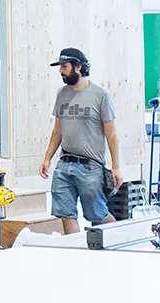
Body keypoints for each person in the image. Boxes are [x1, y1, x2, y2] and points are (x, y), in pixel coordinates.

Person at [39, 47, 123, 235]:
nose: (61, 71)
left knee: (97, 215)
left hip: (90, 167)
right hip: (64, 164)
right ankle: (75, 256)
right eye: (60, 66)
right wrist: (47, 158)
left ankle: (118, 237)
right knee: (66, 214)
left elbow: (111, 134)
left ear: (78, 66)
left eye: (64, 66)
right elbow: (57, 130)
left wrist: (116, 167)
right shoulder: (62, 93)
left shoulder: (100, 96)